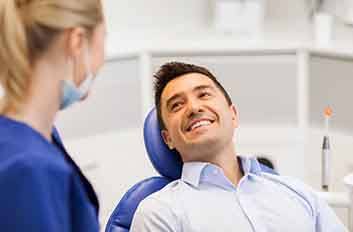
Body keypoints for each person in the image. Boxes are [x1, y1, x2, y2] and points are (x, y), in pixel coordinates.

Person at [130, 62, 347, 232]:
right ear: (168, 139)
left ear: (233, 115)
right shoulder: (158, 213)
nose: (194, 107)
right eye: (177, 105)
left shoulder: (297, 193)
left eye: (204, 94)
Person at [0, 0, 105, 231]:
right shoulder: (30, 168)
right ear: (77, 42)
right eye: (102, 40)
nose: (102, 61)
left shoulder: (32, 141)